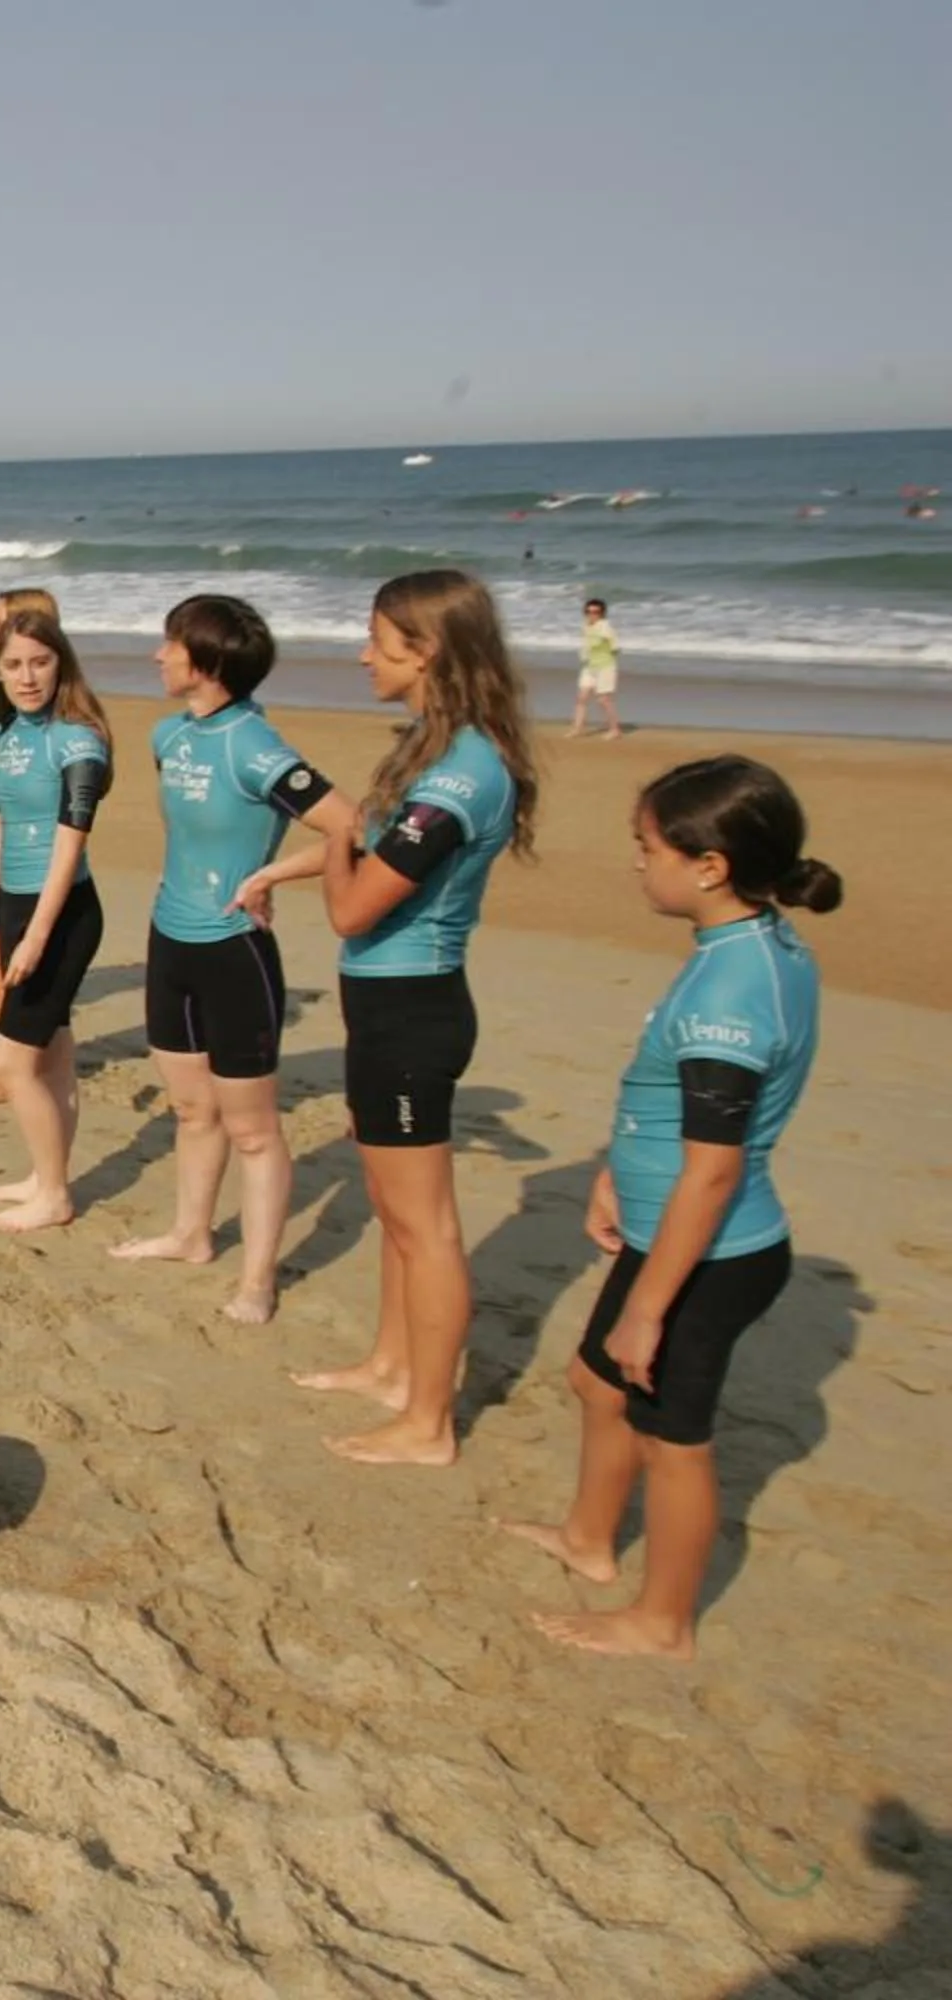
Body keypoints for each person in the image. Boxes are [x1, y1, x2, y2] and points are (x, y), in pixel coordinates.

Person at [501, 757, 835, 1657]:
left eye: (645, 847)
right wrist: (617, 1172)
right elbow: (668, 1111)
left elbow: (716, 1171)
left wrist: (650, 1307)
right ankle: (588, 1539)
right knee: (595, 1381)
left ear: (709, 865)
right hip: (665, 1227)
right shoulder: (746, 943)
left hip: (713, 1254)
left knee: (672, 1436)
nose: (636, 863)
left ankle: (664, 1621)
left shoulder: (735, 995)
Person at [289, 569, 540, 1465]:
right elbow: (360, 850)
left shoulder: (460, 778)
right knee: (397, 1214)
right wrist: (326, 851)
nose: (363, 655)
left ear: (426, 650)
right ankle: (392, 1365)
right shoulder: (439, 752)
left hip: (412, 1010)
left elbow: (355, 908)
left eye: (378, 641)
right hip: (386, 1006)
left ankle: (429, 1421)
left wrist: (327, 853)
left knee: (424, 1224)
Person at [113, 595, 354, 1321]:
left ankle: (258, 1279)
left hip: (233, 951)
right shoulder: (167, 735)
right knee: (191, 1110)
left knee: (253, 1129)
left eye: (171, 644)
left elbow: (356, 827)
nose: (158, 655)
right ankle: (191, 1234)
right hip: (168, 939)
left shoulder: (254, 746)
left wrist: (271, 874)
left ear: (208, 661)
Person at [0, 606, 111, 1233]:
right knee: (54, 1057)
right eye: (14, 665)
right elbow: (3, 831)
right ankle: (46, 1176)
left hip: (64, 911)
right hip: (18, 903)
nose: (28, 678)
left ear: (61, 665)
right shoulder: (6, 738)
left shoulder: (77, 740)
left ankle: (53, 1195)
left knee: (10, 1064)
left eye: (41, 663)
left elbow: (70, 841)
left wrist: (38, 937)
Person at [0, 587, 62, 1100]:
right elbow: (3, 761)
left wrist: (7, 818)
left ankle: (15, 1063)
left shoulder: (51, 710)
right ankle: (11, 1051)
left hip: (23, 847)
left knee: (12, 956)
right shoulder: (2, 691)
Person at [572, 597, 623, 741]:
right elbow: (585, 644)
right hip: (589, 666)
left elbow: (616, 647)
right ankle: (577, 728)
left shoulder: (606, 628)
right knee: (581, 698)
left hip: (605, 667)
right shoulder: (586, 626)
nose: (592, 615)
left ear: (602, 613)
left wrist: (605, 659)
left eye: (596, 612)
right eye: (588, 612)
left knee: (604, 700)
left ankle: (615, 730)